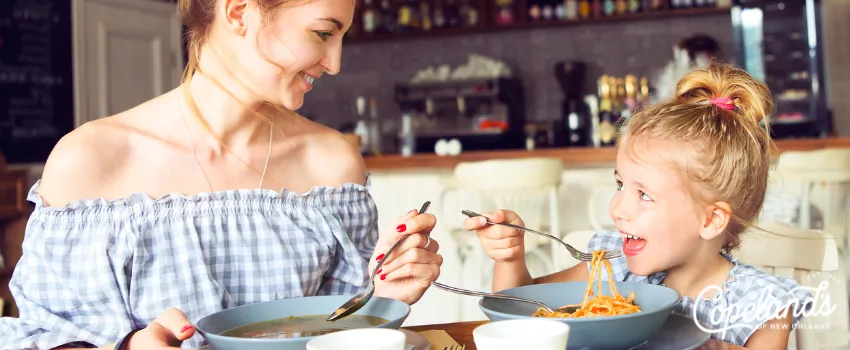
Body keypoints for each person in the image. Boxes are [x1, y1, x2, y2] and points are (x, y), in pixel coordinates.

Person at [0, 0, 443, 349]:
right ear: (238, 12)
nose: (335, 63)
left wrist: (383, 299)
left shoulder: (334, 165)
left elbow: (340, 334)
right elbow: (42, 338)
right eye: (323, 33)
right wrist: (132, 347)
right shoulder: (89, 161)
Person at [466, 63, 814, 348]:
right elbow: (521, 313)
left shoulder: (762, 308)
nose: (617, 208)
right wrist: (510, 258)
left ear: (710, 219)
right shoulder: (616, 271)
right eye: (620, 184)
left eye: (644, 194)